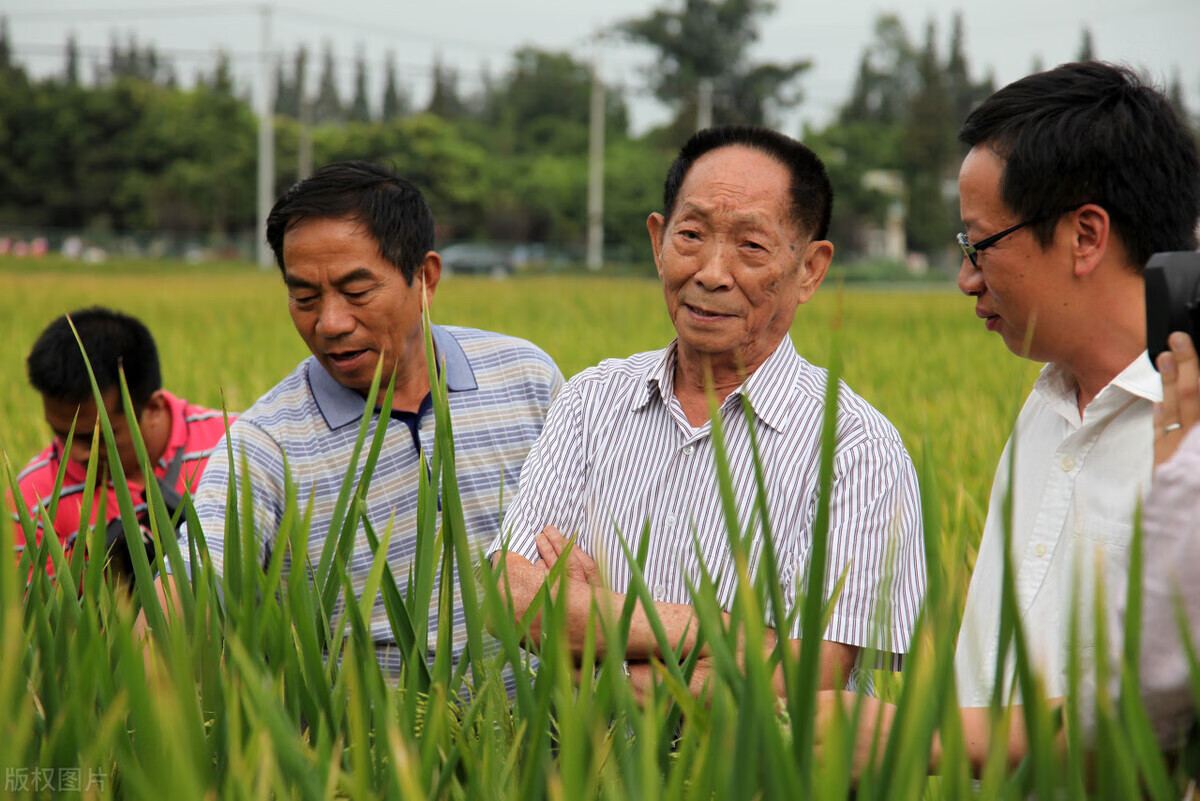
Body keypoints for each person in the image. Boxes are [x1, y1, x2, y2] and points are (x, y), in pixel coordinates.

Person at [817, 61, 1200, 775]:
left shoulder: (1191, 428)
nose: (965, 277)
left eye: (980, 244)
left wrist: (927, 739)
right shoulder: (1049, 402)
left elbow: (1167, 709)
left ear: (1085, 235)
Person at [489, 125, 926, 698]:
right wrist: (723, 631)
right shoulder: (591, 401)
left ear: (811, 269)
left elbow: (812, 673)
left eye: (751, 246)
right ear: (658, 240)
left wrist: (596, 632)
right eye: (691, 234)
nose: (712, 272)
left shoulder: (855, 448)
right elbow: (514, 596)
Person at [164, 161, 563, 673]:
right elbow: (184, 594)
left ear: (425, 278)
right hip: (368, 746)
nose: (329, 324)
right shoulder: (266, 445)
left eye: (357, 292)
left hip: (555, 739)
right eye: (304, 297)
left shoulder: (528, 378)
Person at [9, 307, 228, 582]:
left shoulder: (236, 445)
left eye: (95, 437)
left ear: (153, 408)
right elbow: (43, 620)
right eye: (60, 433)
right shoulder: (33, 500)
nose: (73, 453)